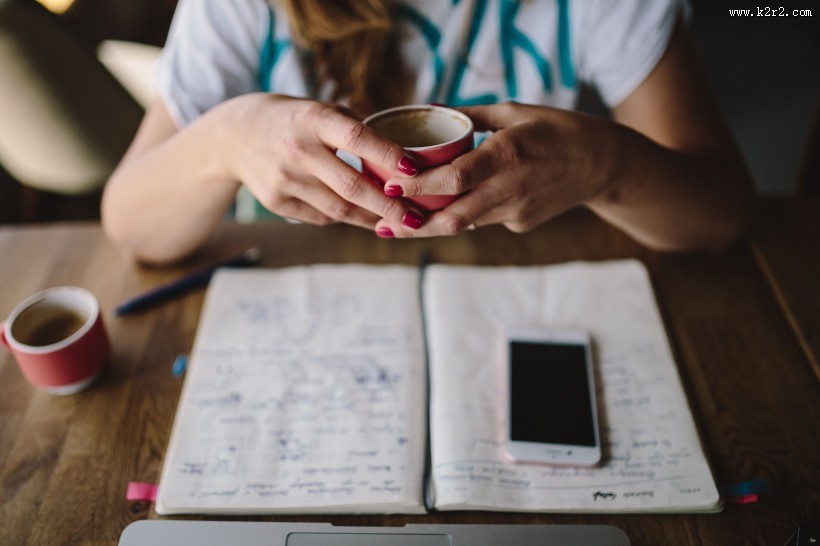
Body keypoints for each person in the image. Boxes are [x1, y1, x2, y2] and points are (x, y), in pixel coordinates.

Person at [101, 0, 755, 265]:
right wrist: (222, 142)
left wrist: (608, 163)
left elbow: (722, 210)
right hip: (294, 293)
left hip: (524, 282)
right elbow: (130, 221)